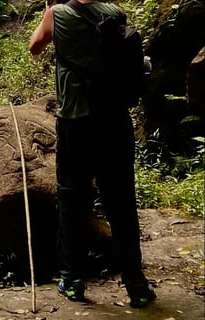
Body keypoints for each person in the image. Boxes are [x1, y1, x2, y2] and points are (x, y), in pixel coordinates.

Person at [28, 0, 157, 308]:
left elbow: (35, 46)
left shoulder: (57, 14)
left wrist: (50, 9)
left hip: (76, 121)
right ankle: (136, 285)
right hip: (115, 120)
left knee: (72, 198)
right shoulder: (114, 12)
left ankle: (72, 280)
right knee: (122, 200)